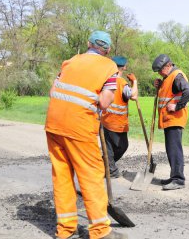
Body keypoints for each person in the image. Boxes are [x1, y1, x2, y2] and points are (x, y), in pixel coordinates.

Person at [45, 31, 128, 239]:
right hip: (80, 127)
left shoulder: (71, 61)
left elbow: (53, 90)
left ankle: (65, 230)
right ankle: (100, 231)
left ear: (88, 44)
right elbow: (104, 102)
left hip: (54, 125)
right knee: (91, 176)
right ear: (108, 50)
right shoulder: (109, 67)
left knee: (62, 177)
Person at [152, 54, 189, 190]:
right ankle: (174, 176)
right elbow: (169, 93)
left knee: (174, 149)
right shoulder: (168, 77)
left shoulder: (177, 76)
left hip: (175, 118)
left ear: (168, 66)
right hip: (169, 119)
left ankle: (178, 180)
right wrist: (159, 85)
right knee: (171, 149)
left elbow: (188, 92)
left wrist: (177, 106)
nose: (159, 73)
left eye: (160, 70)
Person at [101, 56, 138, 178]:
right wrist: (135, 82)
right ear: (124, 67)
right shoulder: (121, 83)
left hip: (106, 120)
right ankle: (110, 169)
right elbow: (133, 96)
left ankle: (105, 167)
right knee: (120, 147)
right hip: (117, 122)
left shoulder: (106, 80)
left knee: (109, 148)